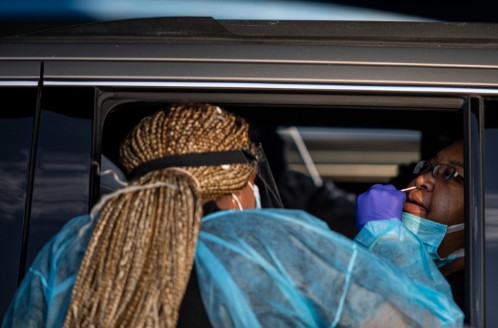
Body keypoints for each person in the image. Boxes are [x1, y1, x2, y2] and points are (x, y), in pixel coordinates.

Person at [3, 104, 463, 328]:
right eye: (255, 179)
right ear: (236, 192)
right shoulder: (271, 244)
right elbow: (424, 323)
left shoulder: (72, 248)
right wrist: (386, 240)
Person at [354, 141, 465, 310]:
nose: (420, 180)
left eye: (449, 174)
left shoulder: (479, 301)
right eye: (428, 167)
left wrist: (385, 239)